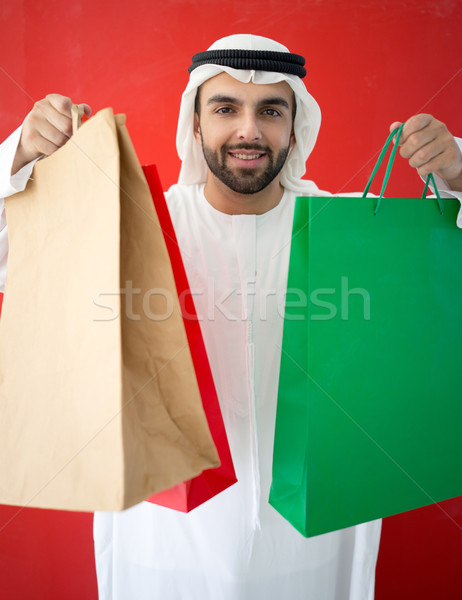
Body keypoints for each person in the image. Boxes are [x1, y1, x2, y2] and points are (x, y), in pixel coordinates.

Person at [1, 34, 462, 600]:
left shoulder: (353, 231)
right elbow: (16, 261)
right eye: (225, 108)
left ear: (295, 128)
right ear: (195, 125)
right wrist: (18, 157)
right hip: (161, 554)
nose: (249, 130)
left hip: (314, 559)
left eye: (271, 110)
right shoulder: (130, 225)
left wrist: (458, 173)